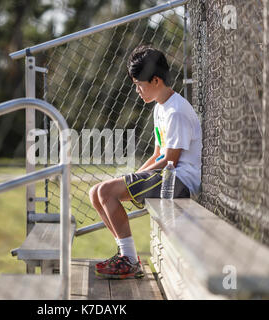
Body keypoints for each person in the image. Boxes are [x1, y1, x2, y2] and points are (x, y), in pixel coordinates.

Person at [89, 45, 202, 279]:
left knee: (107, 192)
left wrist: (129, 181)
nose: (138, 91)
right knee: (96, 192)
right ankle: (125, 254)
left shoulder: (177, 111)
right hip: (166, 175)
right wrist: (131, 177)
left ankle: (129, 261)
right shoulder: (160, 108)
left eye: (139, 85)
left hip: (179, 180)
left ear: (156, 81)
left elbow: (170, 160)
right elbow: (157, 153)